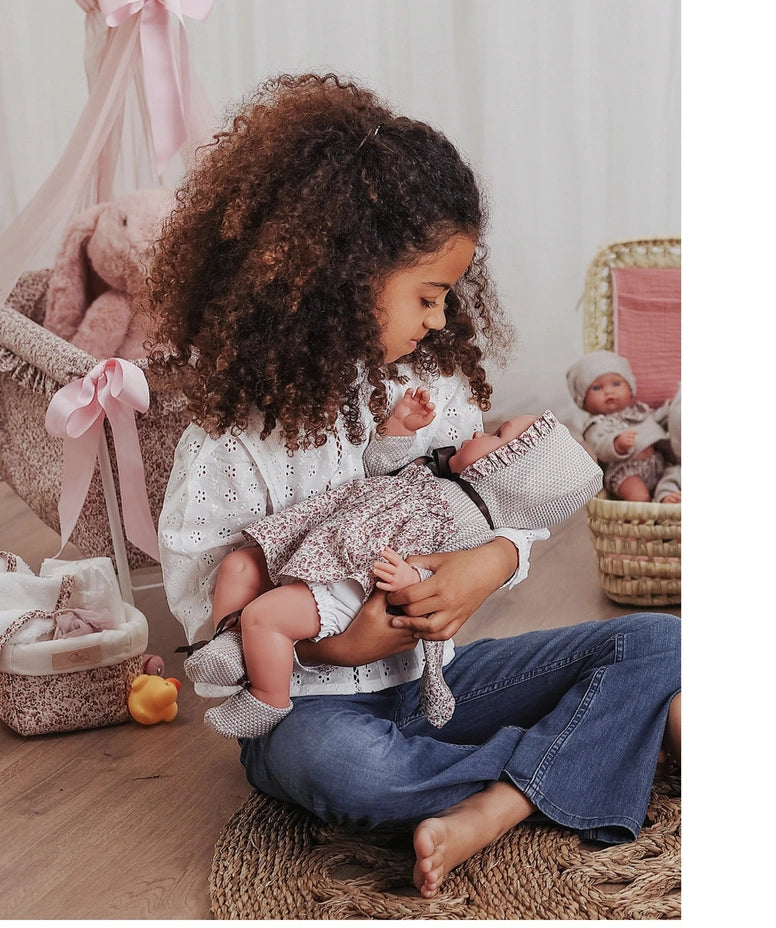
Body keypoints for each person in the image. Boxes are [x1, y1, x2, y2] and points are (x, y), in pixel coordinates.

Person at [146, 73, 681, 899]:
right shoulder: (224, 453)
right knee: (351, 771)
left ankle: (498, 801)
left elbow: (508, 498)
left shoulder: (424, 404)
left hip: (430, 688)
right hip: (309, 712)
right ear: (333, 276)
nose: (439, 320)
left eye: (446, 300)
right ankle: (589, 754)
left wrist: (493, 562)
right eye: (427, 296)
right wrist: (342, 646)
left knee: (659, 641)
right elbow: (212, 648)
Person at [184, 406, 602, 740]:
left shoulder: (466, 520)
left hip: (348, 586)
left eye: (495, 436)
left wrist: (411, 580)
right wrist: (399, 430)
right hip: (325, 551)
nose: (478, 433)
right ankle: (231, 642)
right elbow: (380, 470)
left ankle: (268, 698)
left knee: (266, 615)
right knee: (237, 565)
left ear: (507, 472)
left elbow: (437, 573)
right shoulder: (438, 478)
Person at [566, 350, 681, 503]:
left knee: (673, 477)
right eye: (597, 388)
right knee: (639, 495)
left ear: (630, 387)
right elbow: (600, 445)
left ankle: (665, 498)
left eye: (616, 383)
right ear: (583, 399)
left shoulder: (638, 412)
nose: (609, 391)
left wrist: (669, 408)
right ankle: (640, 518)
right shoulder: (595, 425)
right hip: (626, 472)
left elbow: (654, 421)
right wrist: (616, 444)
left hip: (657, 464)